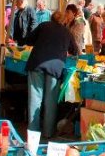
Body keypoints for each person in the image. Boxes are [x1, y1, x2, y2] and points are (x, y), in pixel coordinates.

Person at [24, 11, 79, 139]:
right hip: (55, 67)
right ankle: (48, 133)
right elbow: (74, 50)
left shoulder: (43, 26)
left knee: (35, 98)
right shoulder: (66, 32)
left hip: (37, 64)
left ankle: (33, 133)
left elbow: (29, 40)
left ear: (51, 18)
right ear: (63, 20)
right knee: (51, 101)